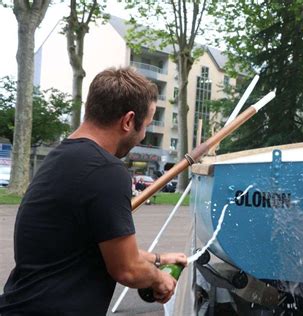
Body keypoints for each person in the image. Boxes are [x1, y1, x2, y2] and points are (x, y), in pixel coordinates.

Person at [0, 68, 187, 315]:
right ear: (128, 120)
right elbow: (127, 268)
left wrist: (159, 260)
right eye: (146, 126)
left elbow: (103, 248)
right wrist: (159, 279)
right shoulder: (106, 169)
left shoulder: (61, 157)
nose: (142, 136)